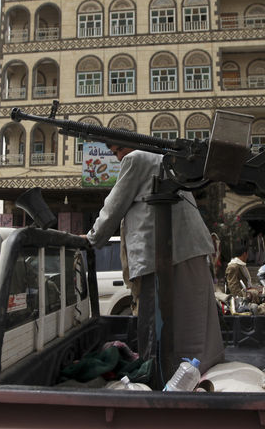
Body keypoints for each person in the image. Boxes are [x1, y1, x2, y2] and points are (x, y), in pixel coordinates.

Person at [83, 145, 224, 374]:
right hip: (188, 247)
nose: (118, 156)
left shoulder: (135, 159)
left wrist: (92, 238)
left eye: (118, 150)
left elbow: (114, 206)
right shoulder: (163, 159)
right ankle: (195, 371)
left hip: (160, 251)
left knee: (156, 325)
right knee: (194, 322)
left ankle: (156, 375)